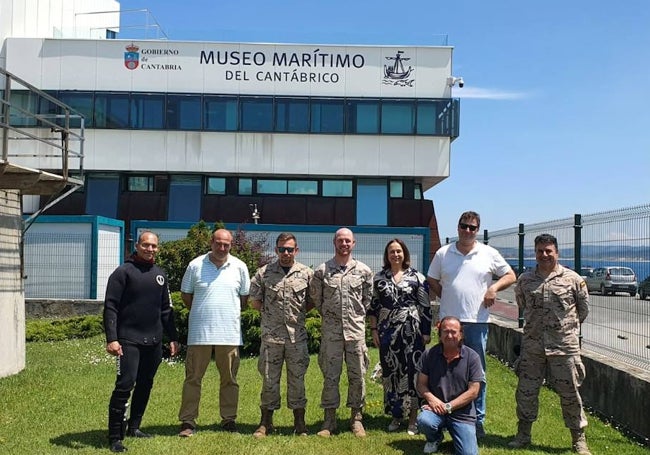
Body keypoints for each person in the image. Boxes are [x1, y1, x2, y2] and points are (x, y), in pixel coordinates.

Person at [427, 210, 516, 437]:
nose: (467, 230)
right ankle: (442, 414)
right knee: (443, 371)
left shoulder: (488, 253)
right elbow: (432, 279)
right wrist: (446, 295)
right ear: (457, 227)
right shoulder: (443, 253)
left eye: (472, 227)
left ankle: (477, 420)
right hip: (449, 322)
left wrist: (493, 288)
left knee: (478, 374)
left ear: (477, 230)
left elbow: (510, 275)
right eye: (464, 226)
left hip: (476, 322)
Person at [509, 234, 591, 455]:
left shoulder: (573, 279)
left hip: (564, 348)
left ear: (557, 252)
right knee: (526, 392)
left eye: (548, 251)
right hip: (533, 348)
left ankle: (578, 439)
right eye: (540, 251)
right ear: (534, 253)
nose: (544, 255)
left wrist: (563, 330)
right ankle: (523, 435)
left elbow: (582, 311)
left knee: (570, 394)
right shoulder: (525, 280)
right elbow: (522, 305)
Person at [103, 231, 179, 453]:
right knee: (125, 385)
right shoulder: (123, 272)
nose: (150, 249)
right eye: (146, 245)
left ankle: (134, 427)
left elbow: (166, 309)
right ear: (137, 245)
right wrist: (112, 339)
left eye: (154, 246)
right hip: (128, 340)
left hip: (153, 341)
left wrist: (173, 337)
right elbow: (110, 307)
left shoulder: (160, 274)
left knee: (146, 383)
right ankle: (115, 436)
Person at [177, 228, 250, 436]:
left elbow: (244, 300)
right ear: (211, 242)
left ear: (231, 245)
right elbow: (186, 295)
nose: (222, 248)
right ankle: (188, 421)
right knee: (193, 378)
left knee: (229, 379)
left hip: (229, 333)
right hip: (200, 333)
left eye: (226, 244)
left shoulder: (239, 267)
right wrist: (203, 312)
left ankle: (228, 419)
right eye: (218, 243)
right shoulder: (195, 265)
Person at [309, 227, 374, 437]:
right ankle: (329, 421)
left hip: (355, 333)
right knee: (330, 376)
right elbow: (317, 301)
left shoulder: (364, 271)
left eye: (348, 241)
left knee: (358, 377)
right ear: (334, 243)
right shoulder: (322, 271)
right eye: (340, 240)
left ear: (353, 243)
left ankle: (356, 419)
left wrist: (354, 318)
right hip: (332, 334)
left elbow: (367, 300)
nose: (344, 244)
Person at [249, 233, 314, 437]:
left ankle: (299, 422)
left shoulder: (306, 274)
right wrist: (272, 317)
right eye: (281, 249)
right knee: (269, 380)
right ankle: (265, 422)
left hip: (297, 338)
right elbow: (255, 301)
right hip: (271, 338)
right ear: (276, 250)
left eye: (289, 249)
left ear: (296, 250)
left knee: (297, 381)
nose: (285, 253)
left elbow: (312, 302)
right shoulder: (264, 273)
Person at [369, 238, 432, 435]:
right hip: (387, 332)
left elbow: (426, 306)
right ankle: (396, 415)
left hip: (412, 332)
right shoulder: (379, 279)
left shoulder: (417, 277)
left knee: (413, 373)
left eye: (398, 251)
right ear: (387, 256)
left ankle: (413, 418)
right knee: (392, 373)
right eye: (391, 252)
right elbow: (373, 307)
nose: (395, 255)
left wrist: (426, 331)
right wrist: (374, 331)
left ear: (404, 254)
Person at [416, 316, 483, 455]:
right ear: (440, 334)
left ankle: (459, 435)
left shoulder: (472, 357)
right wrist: (432, 400)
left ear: (461, 334)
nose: (450, 335)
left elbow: (474, 392)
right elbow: (421, 384)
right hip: (436, 409)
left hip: (462, 413)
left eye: (454, 331)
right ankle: (435, 438)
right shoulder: (429, 354)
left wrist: (448, 407)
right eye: (445, 331)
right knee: (424, 421)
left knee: (469, 453)